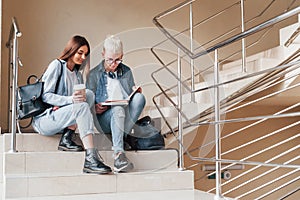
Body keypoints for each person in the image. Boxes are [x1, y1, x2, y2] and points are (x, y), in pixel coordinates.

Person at [32, 35, 112, 174]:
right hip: (45, 119)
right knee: (81, 105)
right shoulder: (57, 65)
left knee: (89, 94)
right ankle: (90, 158)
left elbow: (80, 100)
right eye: (79, 52)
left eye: (85, 54)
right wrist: (70, 100)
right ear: (71, 50)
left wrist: (94, 108)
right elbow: (46, 96)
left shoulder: (76, 74)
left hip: (62, 118)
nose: (82, 57)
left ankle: (67, 138)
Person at [86, 35, 146, 173]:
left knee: (139, 98)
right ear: (103, 54)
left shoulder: (127, 71)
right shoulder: (94, 74)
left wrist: (134, 93)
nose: (113, 63)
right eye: (110, 60)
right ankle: (119, 155)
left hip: (123, 116)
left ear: (122, 56)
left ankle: (120, 136)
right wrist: (95, 108)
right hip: (104, 119)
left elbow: (129, 98)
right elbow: (87, 103)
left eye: (118, 59)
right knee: (117, 109)